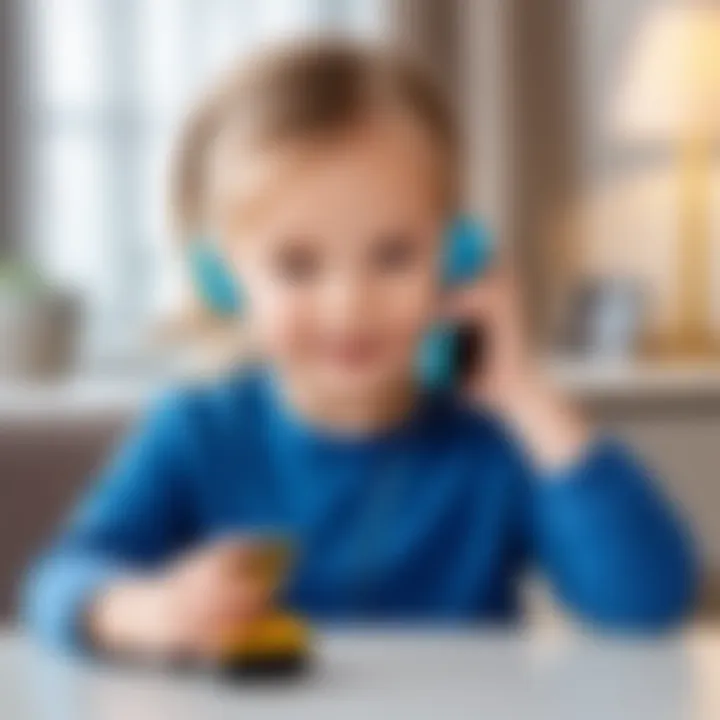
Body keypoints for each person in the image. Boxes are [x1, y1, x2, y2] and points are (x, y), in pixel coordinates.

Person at [23, 41, 697, 660]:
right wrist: (137, 609)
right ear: (223, 280)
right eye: (297, 266)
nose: (349, 304)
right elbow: (59, 581)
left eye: (394, 255)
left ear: (456, 258)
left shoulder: (492, 440)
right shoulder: (196, 432)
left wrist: (523, 390)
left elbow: (648, 602)